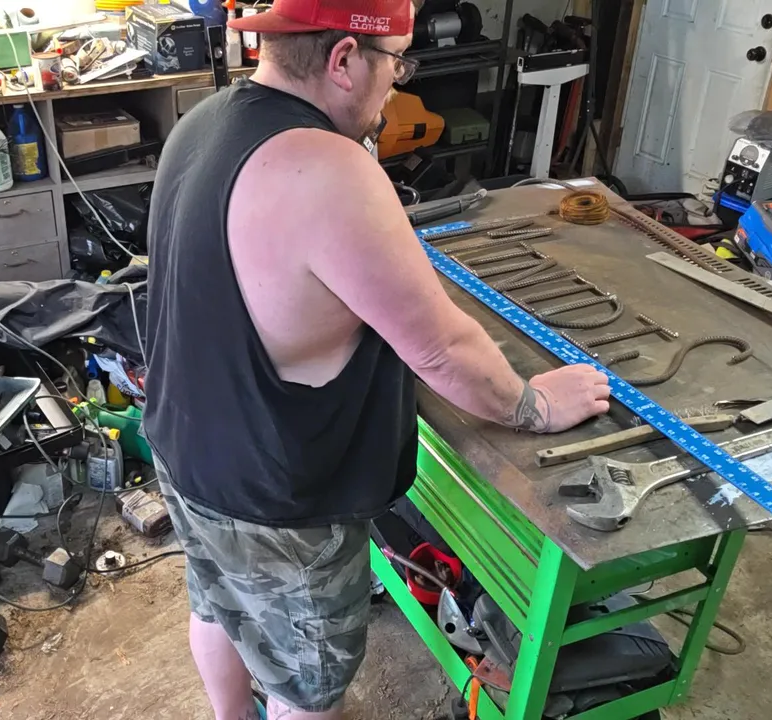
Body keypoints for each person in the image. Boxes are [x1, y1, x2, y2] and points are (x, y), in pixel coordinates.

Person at [143, 0, 612, 717]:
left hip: (184, 448)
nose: (396, 83)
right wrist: (534, 405)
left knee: (218, 606)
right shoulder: (329, 168)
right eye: (397, 62)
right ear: (343, 60)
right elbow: (441, 349)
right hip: (276, 498)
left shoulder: (204, 121)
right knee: (305, 685)